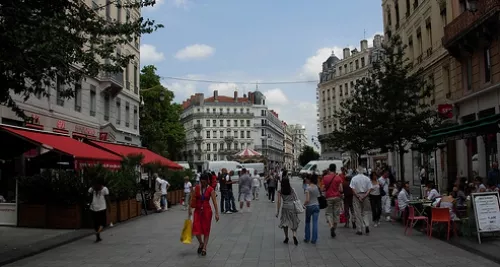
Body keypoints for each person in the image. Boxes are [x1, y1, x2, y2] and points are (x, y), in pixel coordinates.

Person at [189, 173, 219, 256]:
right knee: (195, 228)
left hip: (206, 211)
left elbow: (214, 202)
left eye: (204, 182)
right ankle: (201, 243)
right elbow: (192, 199)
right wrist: (190, 209)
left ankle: (204, 247)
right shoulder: (197, 188)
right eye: (201, 182)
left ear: (207, 181)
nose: (203, 184)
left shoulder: (211, 189)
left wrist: (217, 213)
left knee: (206, 229)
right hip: (197, 211)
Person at [276, 178, 300, 246]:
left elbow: (279, 201)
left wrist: (277, 211)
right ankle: (294, 235)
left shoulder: (280, 191)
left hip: (285, 207)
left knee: (285, 222)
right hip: (292, 206)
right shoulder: (292, 190)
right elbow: (296, 198)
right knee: (293, 221)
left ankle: (286, 237)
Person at [350, 166, 372, 235]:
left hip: (357, 196)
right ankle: (367, 225)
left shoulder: (354, 178)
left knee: (358, 212)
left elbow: (352, 188)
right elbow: (370, 188)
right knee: (365, 212)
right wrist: (365, 195)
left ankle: (359, 229)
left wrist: (357, 196)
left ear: (357, 171)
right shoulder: (367, 178)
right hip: (365, 195)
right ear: (363, 171)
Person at [322, 163, 343, 238]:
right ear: (335, 169)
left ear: (329, 169)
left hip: (328, 197)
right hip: (337, 197)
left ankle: (331, 226)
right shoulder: (338, 178)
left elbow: (323, 188)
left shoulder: (325, 177)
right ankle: (334, 228)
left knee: (328, 213)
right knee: (336, 213)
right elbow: (341, 189)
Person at [303, 174, 320, 244]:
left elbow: (307, 200)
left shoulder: (308, 188)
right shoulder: (316, 187)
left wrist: (303, 204)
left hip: (310, 207)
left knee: (307, 222)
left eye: (306, 179)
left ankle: (307, 238)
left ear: (309, 180)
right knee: (315, 223)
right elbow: (318, 196)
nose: (306, 180)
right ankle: (314, 239)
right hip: (316, 206)